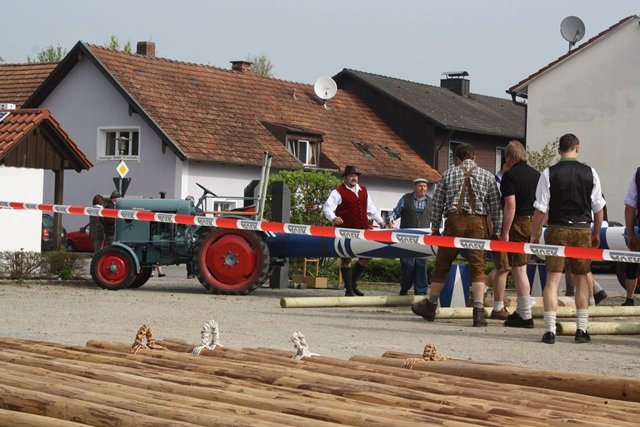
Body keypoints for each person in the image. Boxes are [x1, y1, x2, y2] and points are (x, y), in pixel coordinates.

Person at [411, 143, 503, 326]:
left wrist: (435, 227)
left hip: (453, 222)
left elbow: (437, 204)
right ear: (474, 157)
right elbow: (496, 206)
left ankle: (431, 306)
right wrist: (497, 231)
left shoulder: (448, 174)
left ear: (457, 158)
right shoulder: (488, 176)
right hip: (478, 223)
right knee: (478, 267)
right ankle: (478, 312)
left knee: (442, 264)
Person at [530, 133, 605, 344]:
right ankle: (581, 329)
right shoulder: (590, 172)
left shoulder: (548, 173)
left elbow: (540, 209)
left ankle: (550, 330)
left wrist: (534, 234)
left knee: (553, 279)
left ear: (558, 150)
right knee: (581, 278)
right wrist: (596, 233)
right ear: (577, 148)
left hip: (557, 228)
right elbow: (598, 208)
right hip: (582, 229)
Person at [322, 165, 386, 296]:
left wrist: (380, 220)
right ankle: (349, 291)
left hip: (362, 230)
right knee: (346, 259)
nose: (354, 178)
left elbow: (371, 208)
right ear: (345, 177)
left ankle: (352, 284)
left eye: (356, 175)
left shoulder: (363, 190)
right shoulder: (338, 191)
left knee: (366, 256)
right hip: (345, 231)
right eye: (351, 175)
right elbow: (327, 208)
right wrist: (333, 217)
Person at [498, 140, 540, 328]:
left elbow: (510, 205)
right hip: (534, 223)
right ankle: (521, 312)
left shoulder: (510, 176)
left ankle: (526, 316)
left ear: (508, 157)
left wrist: (505, 231)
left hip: (518, 222)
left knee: (519, 269)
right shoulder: (537, 175)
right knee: (523, 268)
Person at [386, 178, 432, 296]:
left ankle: (421, 293)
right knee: (407, 264)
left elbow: (436, 218)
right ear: (414, 187)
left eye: (425, 186)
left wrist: (438, 230)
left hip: (423, 239)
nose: (423, 188)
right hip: (406, 238)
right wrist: (390, 220)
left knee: (421, 265)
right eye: (420, 186)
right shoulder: (406, 199)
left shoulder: (431, 201)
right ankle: (405, 287)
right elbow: (396, 212)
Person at [485, 155, 511, 320]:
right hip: (498, 230)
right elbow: (490, 208)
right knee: (503, 268)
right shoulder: (496, 182)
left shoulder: (503, 181)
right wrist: (494, 231)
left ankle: (481, 289)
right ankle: (498, 306)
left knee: (505, 266)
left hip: (502, 229)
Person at [622, 167, 640, 306]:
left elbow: (630, 206)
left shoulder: (638, 173)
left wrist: (631, 234)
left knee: (633, 261)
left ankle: (630, 298)